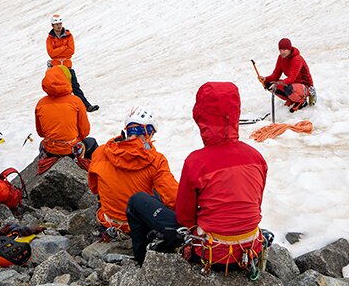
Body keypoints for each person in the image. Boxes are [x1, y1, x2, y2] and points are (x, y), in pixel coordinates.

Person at [126, 82, 267, 267]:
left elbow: (185, 217)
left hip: (212, 254)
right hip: (250, 250)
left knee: (139, 200)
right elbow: (254, 202)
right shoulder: (256, 157)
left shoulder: (196, 162)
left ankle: (142, 262)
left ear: (201, 119)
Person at [88, 106, 178, 237]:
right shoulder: (156, 160)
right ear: (149, 133)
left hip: (108, 220)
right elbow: (173, 199)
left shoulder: (101, 152)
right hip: (137, 225)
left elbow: (94, 187)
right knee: (159, 192)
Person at [35, 65, 98, 161]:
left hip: (50, 150)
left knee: (42, 144)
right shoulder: (76, 101)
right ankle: (89, 171)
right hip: (70, 150)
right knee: (92, 142)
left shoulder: (40, 103)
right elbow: (84, 131)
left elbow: (41, 133)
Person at [46, 14, 99, 112]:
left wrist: (58, 51)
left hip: (67, 67)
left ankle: (86, 106)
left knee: (75, 87)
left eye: (60, 24)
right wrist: (64, 48)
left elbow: (71, 51)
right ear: (52, 26)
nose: (59, 26)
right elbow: (51, 54)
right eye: (56, 24)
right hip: (56, 69)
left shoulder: (69, 36)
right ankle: (59, 110)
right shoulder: (49, 39)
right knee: (57, 89)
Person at [259, 38, 315, 112]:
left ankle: (301, 101)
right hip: (293, 84)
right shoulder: (280, 58)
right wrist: (265, 79)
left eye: (284, 50)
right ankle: (291, 99)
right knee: (269, 85)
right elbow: (276, 75)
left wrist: (277, 83)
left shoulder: (297, 59)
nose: (282, 52)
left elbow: (292, 78)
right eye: (280, 50)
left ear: (289, 49)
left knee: (288, 88)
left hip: (304, 86)